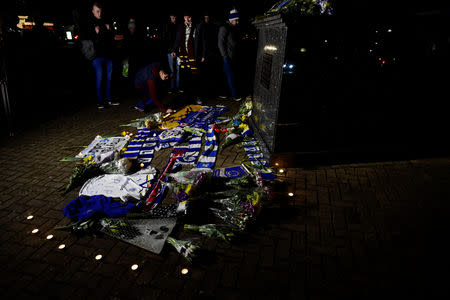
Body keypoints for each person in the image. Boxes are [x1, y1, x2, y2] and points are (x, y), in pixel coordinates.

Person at [85, 2, 119, 109]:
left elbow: (111, 37)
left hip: (108, 55)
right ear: (93, 11)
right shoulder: (90, 23)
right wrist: (105, 30)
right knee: (100, 78)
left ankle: (109, 99)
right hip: (97, 56)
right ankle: (100, 101)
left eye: (100, 11)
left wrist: (103, 30)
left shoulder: (104, 21)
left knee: (109, 78)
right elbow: (97, 39)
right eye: (97, 11)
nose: (99, 13)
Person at [169, 11, 198, 98]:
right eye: (188, 17)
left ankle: (196, 95)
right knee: (185, 74)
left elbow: (200, 40)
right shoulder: (181, 26)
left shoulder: (196, 26)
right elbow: (177, 40)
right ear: (184, 18)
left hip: (193, 53)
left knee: (194, 74)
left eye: (190, 17)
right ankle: (187, 95)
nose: (190, 19)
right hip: (183, 53)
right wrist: (174, 50)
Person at [195, 11, 221, 102]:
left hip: (209, 54)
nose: (207, 19)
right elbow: (200, 42)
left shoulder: (211, 25)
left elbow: (209, 41)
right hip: (202, 55)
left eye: (208, 17)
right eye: (205, 17)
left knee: (208, 75)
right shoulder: (200, 26)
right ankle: (199, 96)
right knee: (201, 76)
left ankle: (208, 94)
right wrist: (201, 55)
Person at [218, 8, 242, 101]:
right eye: (236, 20)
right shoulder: (224, 28)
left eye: (238, 20)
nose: (237, 22)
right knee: (231, 76)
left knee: (228, 76)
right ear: (231, 20)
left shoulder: (234, 28)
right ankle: (235, 95)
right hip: (227, 57)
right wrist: (225, 57)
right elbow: (220, 44)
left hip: (234, 57)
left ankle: (224, 93)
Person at [164, 13, 179, 92]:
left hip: (176, 51)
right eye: (172, 17)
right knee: (172, 70)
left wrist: (175, 50)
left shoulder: (178, 26)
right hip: (170, 51)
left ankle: (177, 86)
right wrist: (172, 51)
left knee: (177, 69)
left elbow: (178, 40)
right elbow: (168, 40)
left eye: (174, 17)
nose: (173, 18)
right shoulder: (168, 26)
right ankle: (172, 86)